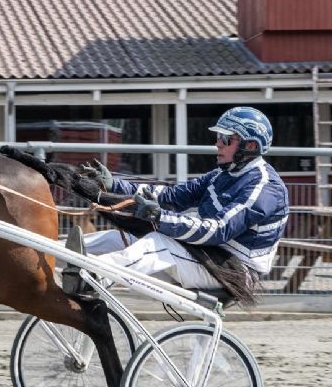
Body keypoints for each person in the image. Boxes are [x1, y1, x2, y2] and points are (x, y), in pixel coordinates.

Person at [66, 106, 290, 293]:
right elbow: (170, 196)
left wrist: (160, 217)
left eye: (226, 139)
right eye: (218, 137)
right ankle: (52, 252)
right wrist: (115, 185)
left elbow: (218, 230)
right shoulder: (222, 174)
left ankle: (92, 279)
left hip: (235, 270)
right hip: (207, 255)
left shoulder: (265, 187)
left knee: (157, 244)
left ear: (250, 146)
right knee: (118, 239)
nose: (218, 143)